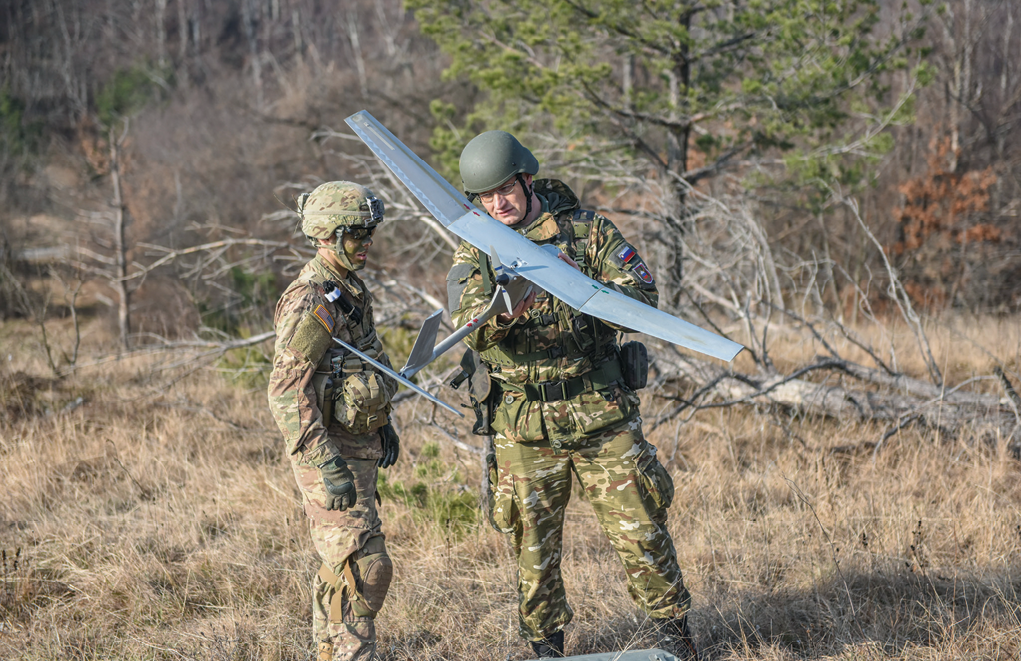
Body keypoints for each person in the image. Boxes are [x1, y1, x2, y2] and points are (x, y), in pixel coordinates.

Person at [446, 132, 697, 659]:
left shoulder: (587, 233)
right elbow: (468, 325)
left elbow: (643, 294)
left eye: (505, 190)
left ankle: (674, 638)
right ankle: (546, 649)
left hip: (600, 411)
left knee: (642, 530)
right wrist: (500, 313)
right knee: (532, 551)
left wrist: (577, 284)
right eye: (486, 197)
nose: (498, 203)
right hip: (523, 425)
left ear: (526, 180)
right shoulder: (476, 248)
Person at [268, 181, 401, 661]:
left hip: (356, 444)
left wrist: (382, 422)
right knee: (363, 568)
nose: (366, 243)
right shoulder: (312, 301)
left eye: (370, 233)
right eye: (356, 235)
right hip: (329, 451)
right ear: (327, 235)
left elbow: (360, 366)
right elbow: (285, 391)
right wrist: (325, 461)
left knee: (347, 565)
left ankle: (331, 652)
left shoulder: (346, 287)